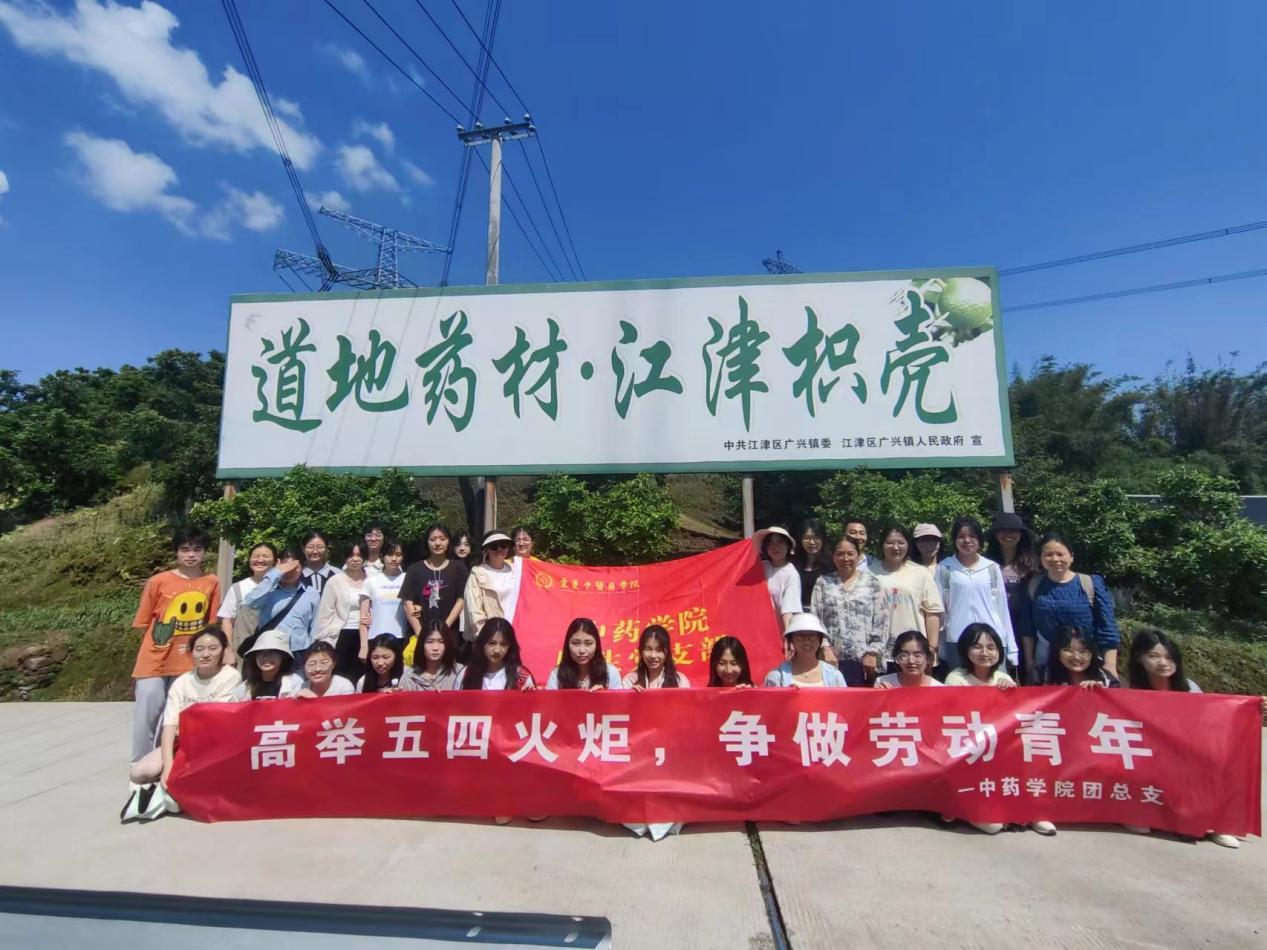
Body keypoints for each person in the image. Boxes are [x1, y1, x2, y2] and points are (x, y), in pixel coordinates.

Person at [1125, 630, 1266, 849]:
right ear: (1139, 658)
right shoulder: (1129, 690)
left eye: (1169, 657)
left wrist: (1254, 709)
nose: (1163, 663)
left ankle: (1219, 824)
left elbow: (1210, 721)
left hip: (1185, 752)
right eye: (1153, 656)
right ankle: (1141, 813)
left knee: (1219, 763)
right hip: (1149, 756)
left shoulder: (1190, 688)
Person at [130, 528, 221, 770]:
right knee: (148, 709)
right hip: (155, 659)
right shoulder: (158, 581)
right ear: (176, 552)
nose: (191, 555)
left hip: (189, 661)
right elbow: (143, 623)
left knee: (176, 715)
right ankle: (139, 764)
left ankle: (168, 762)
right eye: (185, 549)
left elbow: (210, 624)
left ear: (204, 553)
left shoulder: (211, 582)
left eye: (197, 549)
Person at [129, 626, 240, 787]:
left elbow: (218, 720)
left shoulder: (231, 677)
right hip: (183, 743)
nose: (206, 654)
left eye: (213, 648)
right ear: (191, 652)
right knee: (139, 773)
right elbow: (170, 726)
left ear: (223, 650)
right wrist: (168, 766)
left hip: (216, 744)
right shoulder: (182, 682)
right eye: (199, 649)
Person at [1019, 532, 1120, 685]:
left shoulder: (1090, 583)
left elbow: (1107, 625)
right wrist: (1029, 662)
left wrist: (1110, 664)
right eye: (1049, 554)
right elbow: (1027, 629)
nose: (1055, 559)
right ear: (1041, 558)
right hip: (1046, 659)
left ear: (1071, 557)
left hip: (1084, 657)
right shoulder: (1033, 585)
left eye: (1060, 554)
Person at [934, 517, 1018, 673]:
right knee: (960, 685)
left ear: (980, 539)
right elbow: (939, 611)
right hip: (957, 640)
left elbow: (1002, 609)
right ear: (954, 540)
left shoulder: (992, 568)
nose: (967, 541)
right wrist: (937, 646)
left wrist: (1012, 648)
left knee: (995, 684)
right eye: (961, 536)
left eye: (972, 536)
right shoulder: (944, 568)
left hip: (992, 640)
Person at [810, 536, 888, 686]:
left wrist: (873, 652)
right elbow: (815, 618)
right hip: (832, 660)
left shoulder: (873, 583)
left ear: (858, 556)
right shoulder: (823, 582)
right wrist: (825, 647)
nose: (845, 558)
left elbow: (881, 621)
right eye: (840, 554)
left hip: (865, 663)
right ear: (833, 556)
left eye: (850, 554)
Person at [241, 546, 321, 668]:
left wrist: (312, 652)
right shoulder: (267, 590)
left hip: (298, 652)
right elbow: (250, 602)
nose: (289, 571)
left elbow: (314, 627)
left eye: (294, 568)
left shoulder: (312, 594)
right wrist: (275, 573)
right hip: (269, 649)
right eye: (285, 567)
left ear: (303, 568)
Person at [872, 524, 944, 661]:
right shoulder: (869, 573)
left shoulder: (921, 573)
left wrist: (931, 648)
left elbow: (932, 613)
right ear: (881, 545)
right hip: (878, 651)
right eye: (890, 543)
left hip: (915, 652)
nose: (895, 547)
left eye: (901, 543)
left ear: (908, 545)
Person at [402, 523, 468, 641]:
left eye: (442, 539)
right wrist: (421, 634)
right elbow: (408, 603)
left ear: (449, 541)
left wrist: (444, 629)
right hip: (420, 635)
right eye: (433, 539)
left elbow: (461, 600)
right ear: (427, 542)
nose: (437, 543)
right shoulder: (414, 569)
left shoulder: (459, 568)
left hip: (450, 634)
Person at [315, 540, 371, 681]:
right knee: (342, 678)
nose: (355, 559)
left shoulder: (372, 579)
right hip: (342, 635)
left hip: (368, 634)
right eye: (350, 555)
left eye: (359, 555)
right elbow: (325, 615)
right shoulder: (334, 581)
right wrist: (323, 642)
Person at [986, 513, 1038, 651]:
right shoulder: (986, 564)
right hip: (995, 623)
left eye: (1013, 530)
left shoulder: (1033, 564)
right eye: (1003, 530)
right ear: (995, 534)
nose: (1008, 534)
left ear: (1021, 534)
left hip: (1026, 625)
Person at [216, 542, 276, 657]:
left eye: (265, 556)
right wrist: (229, 650)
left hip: (274, 650)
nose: (260, 560)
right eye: (256, 556)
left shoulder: (281, 587)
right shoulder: (238, 587)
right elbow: (227, 620)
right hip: (242, 650)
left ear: (275, 561)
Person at [764, 613, 848, 687]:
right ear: (791, 640)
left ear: (819, 639)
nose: (807, 641)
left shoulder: (835, 675)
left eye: (812, 635)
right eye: (800, 636)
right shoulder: (777, 676)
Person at [463, 531, 520, 638]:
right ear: (486, 550)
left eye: (503, 546)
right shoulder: (477, 573)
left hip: (515, 632)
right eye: (494, 547)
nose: (499, 550)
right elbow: (474, 610)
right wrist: (486, 637)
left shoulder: (516, 570)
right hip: (490, 636)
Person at [457, 618, 536, 691]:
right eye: (492, 643)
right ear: (482, 643)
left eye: (503, 644)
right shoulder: (466, 674)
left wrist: (530, 695)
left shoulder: (521, 677)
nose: (497, 650)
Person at [547, 618, 623, 690]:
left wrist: (603, 696)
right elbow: (549, 699)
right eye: (575, 643)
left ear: (597, 645)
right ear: (567, 645)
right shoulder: (557, 673)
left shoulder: (610, 672)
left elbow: (618, 699)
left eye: (588, 643)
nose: (582, 650)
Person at [359, 539, 408, 644]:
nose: (394, 559)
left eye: (398, 555)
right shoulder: (370, 581)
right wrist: (364, 646)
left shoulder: (408, 579)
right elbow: (363, 619)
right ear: (382, 556)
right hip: (375, 637)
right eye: (389, 554)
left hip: (402, 637)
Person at [753, 526, 802, 631]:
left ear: (788, 546)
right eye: (770, 543)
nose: (775, 547)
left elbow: (789, 609)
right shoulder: (762, 567)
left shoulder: (791, 574)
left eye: (780, 542)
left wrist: (788, 634)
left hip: (777, 630)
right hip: (757, 626)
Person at [234, 629, 304, 700]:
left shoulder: (294, 683)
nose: (266, 657)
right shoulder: (245, 687)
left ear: (283, 656)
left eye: (272, 652)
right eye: (261, 652)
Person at [1043, 626, 1118, 689]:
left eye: (1083, 652)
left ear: (1092, 654)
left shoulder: (1108, 680)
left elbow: (1117, 700)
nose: (1076, 657)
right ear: (1057, 652)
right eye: (1068, 650)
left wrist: (1101, 692)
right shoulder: (1047, 676)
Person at [944, 623, 1016, 688]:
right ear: (965, 649)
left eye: (990, 648)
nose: (984, 653)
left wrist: (1011, 690)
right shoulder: (955, 679)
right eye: (977, 647)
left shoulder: (1004, 678)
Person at [400, 620, 465, 691]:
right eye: (430, 642)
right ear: (422, 644)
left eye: (441, 642)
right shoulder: (409, 678)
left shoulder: (459, 672)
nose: (435, 648)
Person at [622, 624, 690, 689]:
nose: (653, 655)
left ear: (667, 652)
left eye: (659, 650)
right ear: (641, 650)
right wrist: (631, 694)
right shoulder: (630, 680)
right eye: (648, 649)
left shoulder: (680, 681)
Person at [875, 631, 944, 688]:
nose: (911, 661)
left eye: (917, 655)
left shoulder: (939, 689)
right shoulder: (882, 682)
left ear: (928, 658)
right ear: (897, 658)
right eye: (904, 655)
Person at [794, 518, 832, 612]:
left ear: (823, 539)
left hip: (822, 614)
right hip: (797, 613)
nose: (812, 542)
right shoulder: (793, 565)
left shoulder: (831, 566)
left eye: (816, 537)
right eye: (807, 538)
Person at [299, 531, 340, 595]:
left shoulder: (337, 573)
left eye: (320, 547)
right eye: (310, 547)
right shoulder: (297, 574)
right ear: (303, 549)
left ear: (326, 549)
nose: (315, 551)